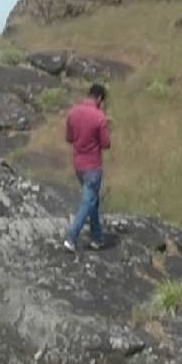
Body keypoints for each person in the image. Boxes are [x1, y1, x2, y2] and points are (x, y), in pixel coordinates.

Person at [63, 83, 111, 252]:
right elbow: (106, 144)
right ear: (99, 98)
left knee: (93, 201)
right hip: (93, 165)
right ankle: (71, 237)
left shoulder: (73, 112)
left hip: (78, 165)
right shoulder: (99, 117)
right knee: (88, 201)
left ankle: (97, 237)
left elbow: (69, 138)